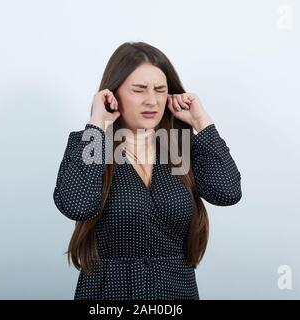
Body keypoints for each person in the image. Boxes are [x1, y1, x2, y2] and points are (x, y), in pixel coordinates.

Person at [53, 41, 242, 300]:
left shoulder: (179, 151)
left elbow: (227, 193)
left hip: (177, 295)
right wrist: (96, 123)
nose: (152, 101)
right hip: (108, 297)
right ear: (113, 93)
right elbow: (77, 205)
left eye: (160, 90)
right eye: (139, 90)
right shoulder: (94, 147)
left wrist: (202, 122)